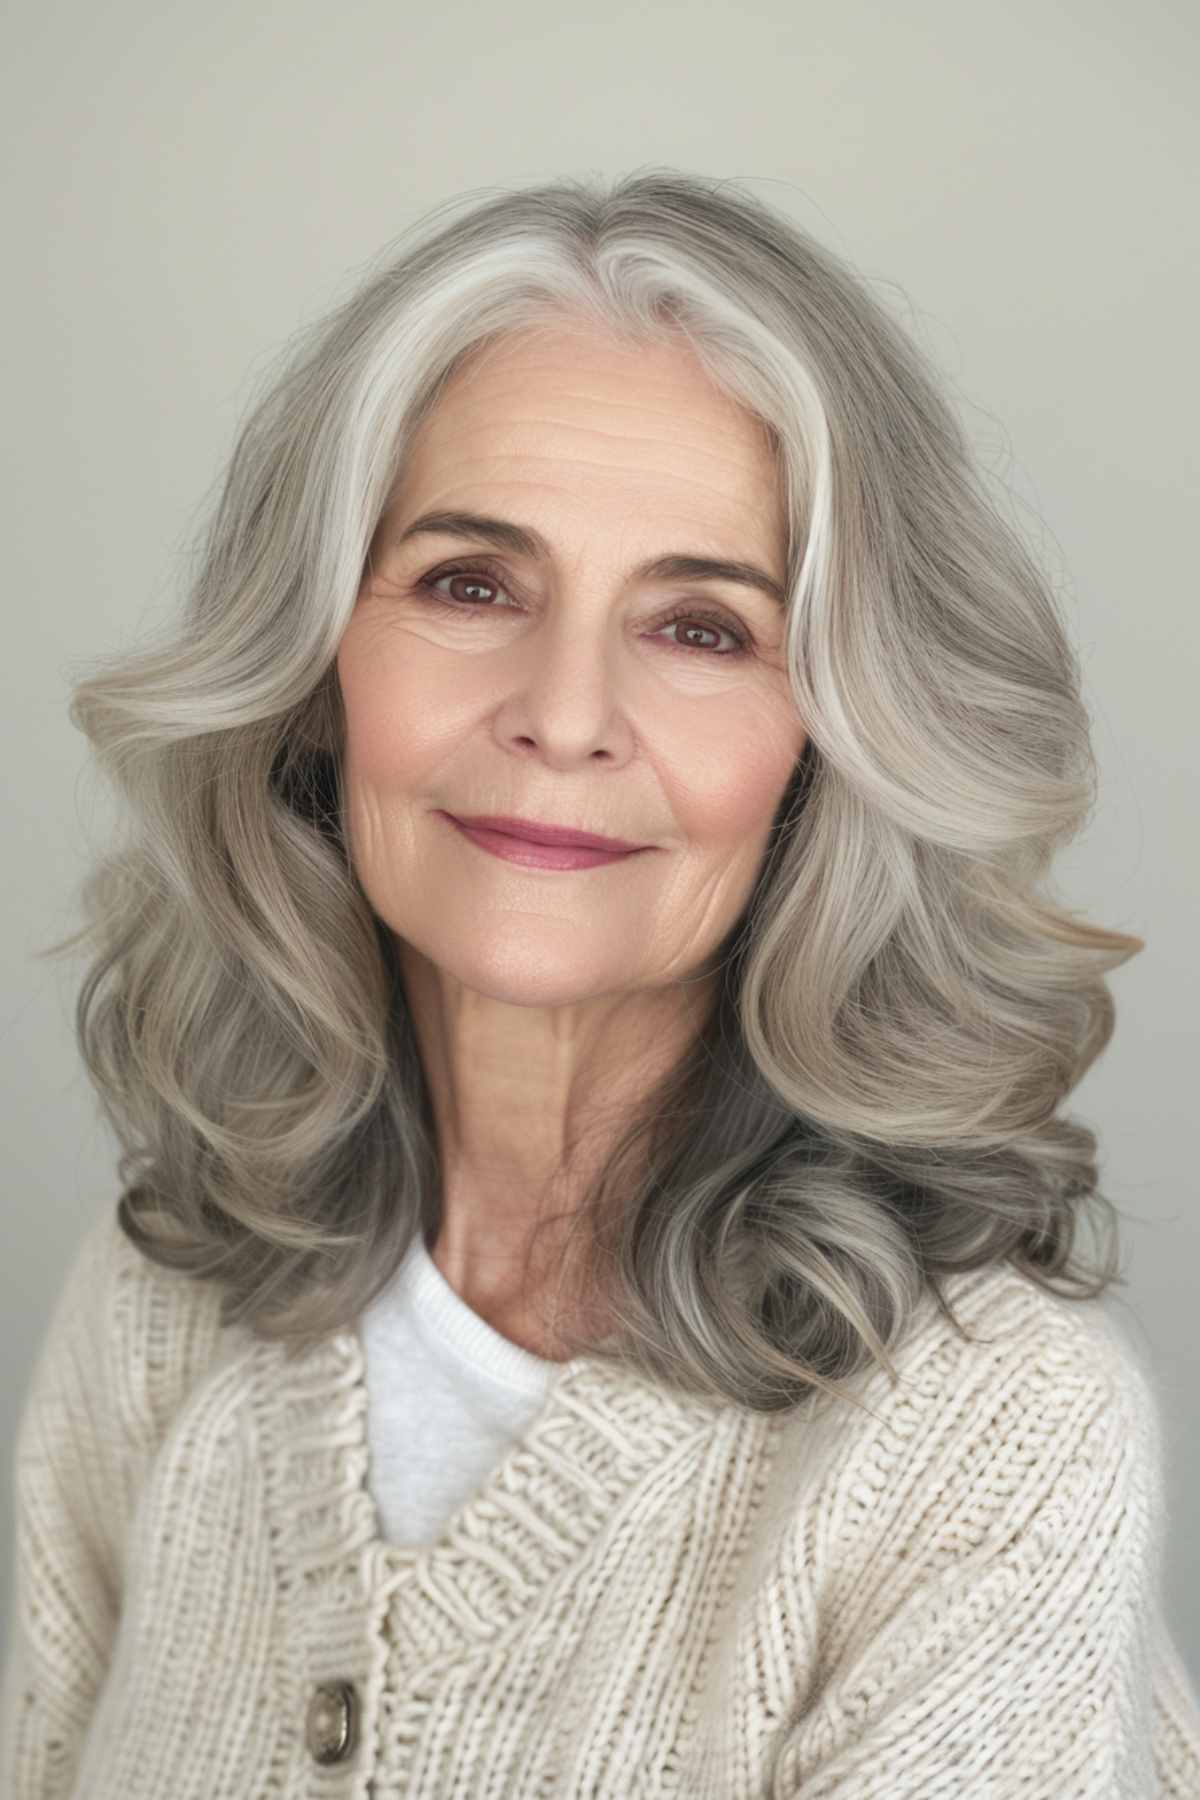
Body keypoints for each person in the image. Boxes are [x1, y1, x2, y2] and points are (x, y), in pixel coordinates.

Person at [3, 168, 1199, 1798]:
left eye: (703, 627)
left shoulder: (992, 1440)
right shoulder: (159, 1304)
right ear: (311, 675)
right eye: (470, 585)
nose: (565, 713)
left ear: (827, 750)